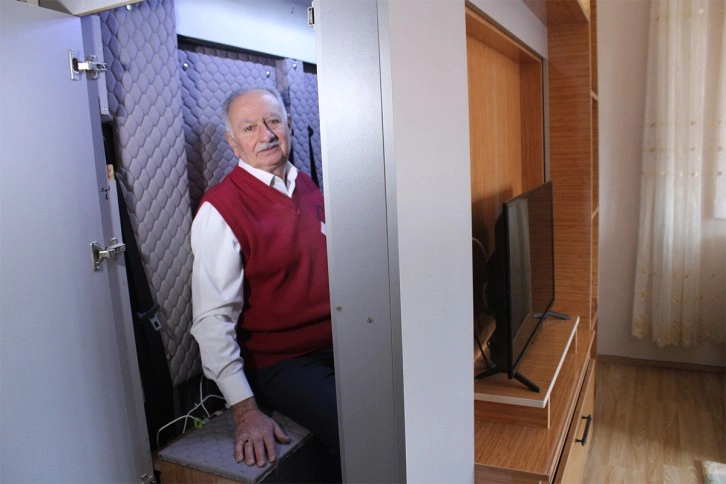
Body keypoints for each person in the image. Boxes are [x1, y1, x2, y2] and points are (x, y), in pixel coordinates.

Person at [190, 87, 338, 469]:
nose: (266, 135)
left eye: (273, 121)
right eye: (249, 127)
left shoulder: (305, 184)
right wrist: (245, 411)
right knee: (362, 424)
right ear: (233, 143)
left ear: (289, 125)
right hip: (283, 362)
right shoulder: (220, 209)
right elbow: (212, 322)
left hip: (340, 340)